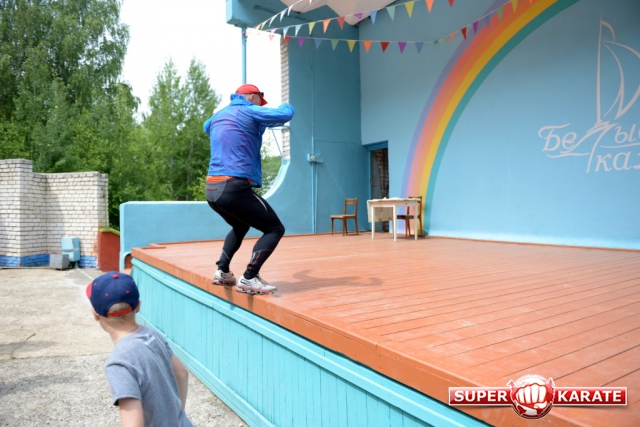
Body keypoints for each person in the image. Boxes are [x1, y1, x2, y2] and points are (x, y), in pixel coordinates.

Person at [203, 84, 295, 295]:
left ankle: (222, 272)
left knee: (240, 225)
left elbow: (206, 126)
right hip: (233, 187)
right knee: (274, 229)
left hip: (212, 189)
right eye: (259, 102)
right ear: (253, 97)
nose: (260, 107)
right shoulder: (248, 110)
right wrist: (288, 104)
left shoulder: (219, 116)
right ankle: (249, 277)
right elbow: (285, 114)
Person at [87, 271, 193, 427]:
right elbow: (182, 373)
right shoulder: (152, 335)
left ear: (95, 315)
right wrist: (178, 415)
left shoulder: (119, 362)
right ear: (138, 306)